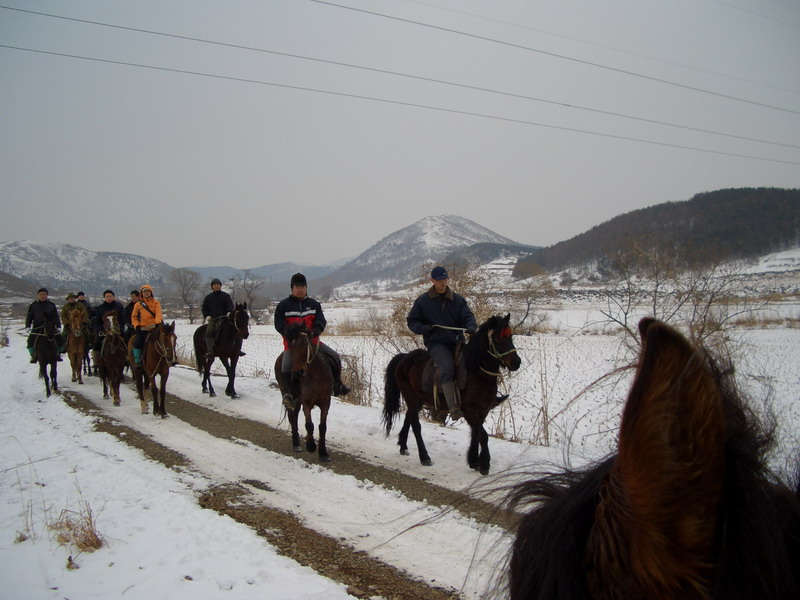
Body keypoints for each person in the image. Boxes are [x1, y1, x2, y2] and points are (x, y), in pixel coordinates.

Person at [407, 266, 477, 420]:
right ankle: (453, 408)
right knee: (447, 367)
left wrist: (471, 326)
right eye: (439, 279)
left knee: (474, 363)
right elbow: (412, 321)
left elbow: (468, 315)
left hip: (457, 342)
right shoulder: (423, 301)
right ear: (432, 280)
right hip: (436, 344)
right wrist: (425, 328)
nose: (442, 282)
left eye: (444, 279)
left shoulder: (458, 299)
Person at [274, 273, 349, 409]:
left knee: (335, 356)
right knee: (285, 366)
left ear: (306, 288)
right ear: (292, 288)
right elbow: (279, 324)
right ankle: (288, 395)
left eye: (303, 287)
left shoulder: (314, 304)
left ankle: (338, 385)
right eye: (297, 287)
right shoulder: (283, 306)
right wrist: (290, 334)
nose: (300, 289)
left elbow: (321, 320)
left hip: (313, 343)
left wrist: (315, 330)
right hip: (293, 346)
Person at [25, 287, 64, 362]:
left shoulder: (51, 305)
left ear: (47, 295)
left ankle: (58, 354)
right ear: (38, 295)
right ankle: (33, 355)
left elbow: (56, 316)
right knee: (30, 341)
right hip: (37, 327)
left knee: (60, 338)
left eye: (44, 294)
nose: (43, 296)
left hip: (50, 327)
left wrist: (58, 326)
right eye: (41, 294)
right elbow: (29, 317)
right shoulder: (33, 306)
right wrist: (28, 326)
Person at [201, 278, 234, 360]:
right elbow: (204, 308)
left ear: (220, 286)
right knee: (209, 332)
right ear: (212, 286)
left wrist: (229, 311)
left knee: (235, 330)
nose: (216, 286)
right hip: (213, 319)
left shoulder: (226, 296)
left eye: (218, 285)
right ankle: (210, 351)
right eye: (215, 285)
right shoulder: (208, 298)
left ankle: (237, 349)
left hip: (225, 318)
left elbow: (230, 305)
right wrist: (207, 315)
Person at [130, 284, 163, 366]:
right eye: (144, 291)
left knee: (165, 340)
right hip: (143, 328)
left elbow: (158, 313)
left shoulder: (156, 302)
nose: (146, 293)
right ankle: (137, 361)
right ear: (142, 293)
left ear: (151, 292)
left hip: (154, 327)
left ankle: (168, 358)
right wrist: (136, 325)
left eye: (148, 291)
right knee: (137, 342)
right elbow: (134, 317)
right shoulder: (138, 304)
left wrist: (157, 323)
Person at [92, 290, 126, 363]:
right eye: (107, 297)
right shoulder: (100, 308)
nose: (109, 298)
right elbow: (97, 322)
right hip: (105, 331)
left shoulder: (119, 306)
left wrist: (120, 329)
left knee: (126, 340)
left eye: (110, 296)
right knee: (97, 342)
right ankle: (96, 359)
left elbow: (122, 319)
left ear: (113, 297)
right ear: (104, 298)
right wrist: (100, 331)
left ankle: (127, 357)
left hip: (117, 329)